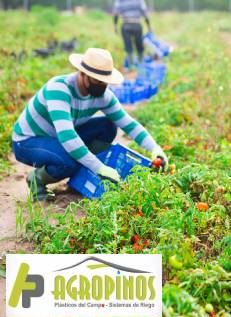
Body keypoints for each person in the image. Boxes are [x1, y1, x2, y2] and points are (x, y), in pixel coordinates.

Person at [12, 48, 168, 201]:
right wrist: (99, 167)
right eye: (96, 80)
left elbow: (129, 124)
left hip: (58, 136)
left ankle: (79, 177)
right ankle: (36, 179)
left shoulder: (103, 95)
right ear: (82, 73)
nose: (101, 85)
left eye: (105, 82)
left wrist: (155, 148)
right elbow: (67, 137)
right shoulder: (59, 88)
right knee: (69, 161)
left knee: (108, 126)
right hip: (28, 140)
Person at [113, 0, 151, 70]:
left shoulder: (120, 1)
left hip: (125, 24)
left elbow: (116, 12)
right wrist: (149, 26)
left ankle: (131, 65)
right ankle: (141, 64)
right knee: (139, 45)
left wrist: (115, 25)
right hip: (137, 24)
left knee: (128, 46)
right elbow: (145, 12)